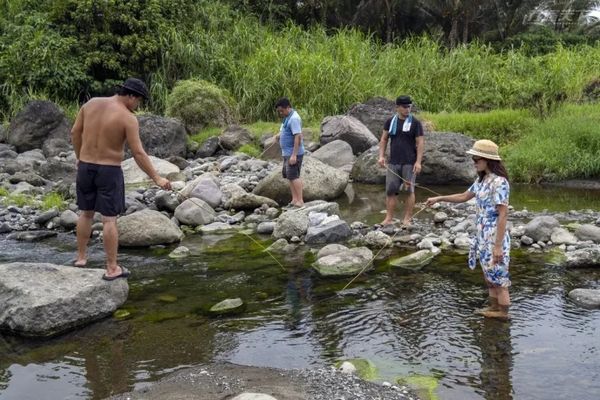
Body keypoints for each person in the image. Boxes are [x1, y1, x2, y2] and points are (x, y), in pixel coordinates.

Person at [71, 78, 171, 280]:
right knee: (109, 219)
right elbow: (138, 154)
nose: (138, 105)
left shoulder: (90, 104)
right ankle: (112, 268)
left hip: (85, 167)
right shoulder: (127, 118)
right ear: (131, 96)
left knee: (86, 213)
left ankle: (81, 258)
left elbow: (75, 132)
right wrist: (157, 178)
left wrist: (79, 157)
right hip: (109, 170)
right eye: (139, 101)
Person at [425, 140, 511, 320]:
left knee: (499, 278)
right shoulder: (481, 180)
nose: (473, 162)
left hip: (495, 235)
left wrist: (497, 246)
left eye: (476, 158)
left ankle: (503, 314)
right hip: (481, 234)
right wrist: (440, 198)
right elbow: (464, 196)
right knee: (489, 277)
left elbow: (503, 215)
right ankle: (493, 308)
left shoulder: (500, 182)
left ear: (488, 160)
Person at [378, 95, 424, 226]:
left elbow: (420, 142)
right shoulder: (390, 122)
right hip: (393, 162)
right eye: (404, 107)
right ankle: (388, 218)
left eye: (409, 107)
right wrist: (381, 156)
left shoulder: (415, 123)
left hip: (410, 162)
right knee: (391, 190)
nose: (407, 109)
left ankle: (407, 219)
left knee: (409, 190)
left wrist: (418, 162)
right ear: (397, 107)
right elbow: (384, 139)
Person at [274, 97, 305, 208]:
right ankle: (294, 199)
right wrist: (279, 135)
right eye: (279, 111)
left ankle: (300, 201)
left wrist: (294, 155)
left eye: (282, 111)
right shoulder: (287, 117)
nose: (281, 113)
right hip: (286, 153)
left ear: (288, 107)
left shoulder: (294, 118)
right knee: (289, 176)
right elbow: (284, 129)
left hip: (293, 153)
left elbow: (298, 137)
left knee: (294, 176)